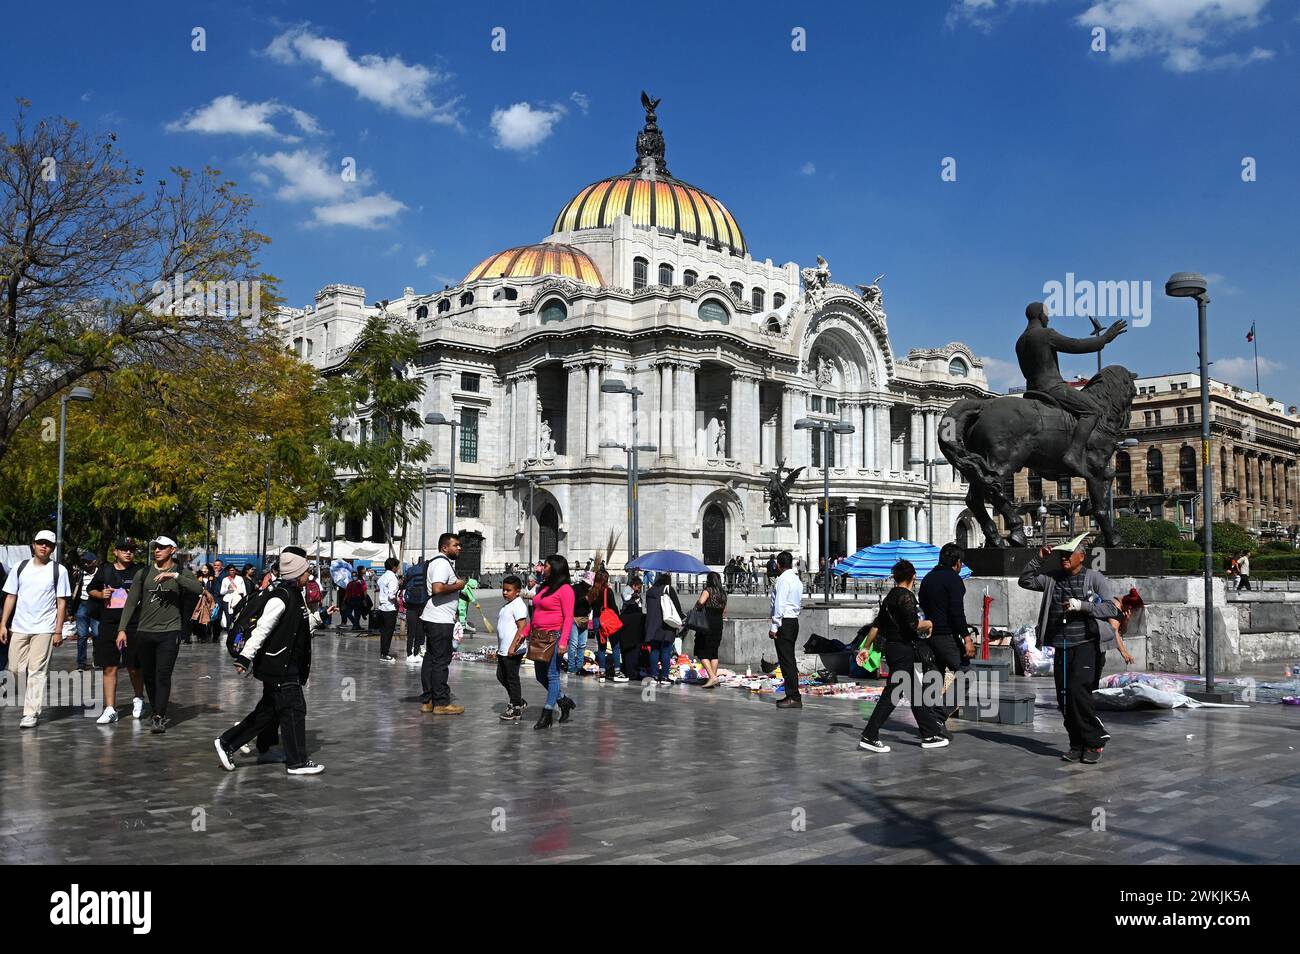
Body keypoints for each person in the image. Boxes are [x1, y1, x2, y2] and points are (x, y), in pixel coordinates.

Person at [214, 546, 336, 775]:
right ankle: (297, 761)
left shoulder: (294, 595)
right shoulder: (280, 597)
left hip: (286, 664)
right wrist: (244, 658)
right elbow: (262, 630)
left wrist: (321, 616)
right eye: (305, 573)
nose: (308, 577)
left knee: (269, 711)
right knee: (294, 709)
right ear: (295, 574)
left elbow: (299, 625)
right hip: (280, 665)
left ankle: (236, 744)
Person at [1019, 538, 1121, 764]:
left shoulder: (1093, 578)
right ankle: (1077, 743)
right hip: (1061, 645)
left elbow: (1112, 607)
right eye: (1061, 555)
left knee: (1078, 692)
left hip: (1085, 644)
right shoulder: (1052, 579)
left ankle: (1094, 740)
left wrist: (1082, 606)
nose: (1064, 558)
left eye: (1069, 554)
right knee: (1064, 697)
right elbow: (1025, 580)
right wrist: (1039, 559)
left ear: (1081, 557)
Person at [1016, 301, 1127, 475]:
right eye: (1047, 314)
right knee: (1093, 410)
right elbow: (1075, 345)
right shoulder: (1045, 334)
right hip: (1052, 388)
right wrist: (1104, 339)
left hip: (1032, 391)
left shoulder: (1020, 341)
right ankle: (1074, 453)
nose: (1048, 318)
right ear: (1039, 315)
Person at [859, 559, 949, 752]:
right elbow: (913, 626)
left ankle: (929, 733)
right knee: (893, 692)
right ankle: (869, 734)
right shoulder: (905, 596)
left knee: (914, 691)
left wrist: (865, 647)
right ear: (913, 577)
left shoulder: (890, 596)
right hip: (902, 649)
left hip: (892, 649)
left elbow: (876, 626)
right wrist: (930, 623)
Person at [117, 536, 204, 735]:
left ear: (172, 550)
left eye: (162, 547)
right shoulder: (144, 572)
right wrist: (122, 629)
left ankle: (159, 714)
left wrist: (174, 577)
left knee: (163, 674)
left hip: (169, 631)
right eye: (155, 547)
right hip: (144, 631)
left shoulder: (181, 572)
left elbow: (198, 589)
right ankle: (156, 706)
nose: (157, 550)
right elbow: (131, 602)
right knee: (149, 675)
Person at [0, 530, 72, 728]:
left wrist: (58, 630)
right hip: (19, 627)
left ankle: (31, 713)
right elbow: (11, 596)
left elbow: (61, 602)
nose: (43, 547)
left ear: (53, 548)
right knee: (14, 669)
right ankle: (25, 698)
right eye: (40, 543)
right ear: (33, 545)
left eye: (48, 544)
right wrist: (3, 624)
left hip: (44, 628)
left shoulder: (59, 571)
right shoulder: (20, 567)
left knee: (37, 671)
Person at [88, 538, 146, 724]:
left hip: (133, 624)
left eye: (131, 549)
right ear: (116, 552)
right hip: (109, 623)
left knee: (134, 666)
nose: (128, 552)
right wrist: (100, 594)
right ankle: (110, 709)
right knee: (109, 666)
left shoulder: (140, 570)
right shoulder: (105, 570)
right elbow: (91, 589)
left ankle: (138, 697)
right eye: (123, 549)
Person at [918, 542, 970, 719]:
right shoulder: (954, 579)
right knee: (966, 673)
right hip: (946, 635)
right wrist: (967, 638)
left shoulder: (927, 578)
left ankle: (928, 719)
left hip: (929, 635)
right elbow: (957, 612)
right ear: (956, 562)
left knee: (934, 675)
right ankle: (940, 716)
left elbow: (923, 604)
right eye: (961, 562)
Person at [419, 533, 465, 715]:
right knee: (440, 661)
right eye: (456, 545)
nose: (459, 548)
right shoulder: (441, 563)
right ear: (445, 547)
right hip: (439, 620)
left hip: (435, 618)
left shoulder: (439, 562)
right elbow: (438, 588)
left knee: (431, 659)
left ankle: (429, 700)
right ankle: (441, 702)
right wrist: (459, 585)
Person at [529, 554, 576, 729]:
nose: (542, 568)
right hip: (539, 637)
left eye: (546, 565)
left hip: (554, 637)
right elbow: (537, 612)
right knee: (540, 676)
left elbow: (569, 616)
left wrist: (563, 641)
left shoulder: (565, 590)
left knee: (552, 675)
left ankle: (547, 713)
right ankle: (563, 700)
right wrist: (526, 630)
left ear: (555, 568)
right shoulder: (544, 587)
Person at [769, 550, 803, 709]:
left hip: (784, 622)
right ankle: (793, 694)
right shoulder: (796, 579)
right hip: (793, 621)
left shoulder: (783, 580)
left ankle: (793, 696)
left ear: (779, 564)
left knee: (786, 661)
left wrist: (774, 626)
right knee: (790, 659)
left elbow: (779, 605)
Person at [495, 574, 530, 721]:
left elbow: (522, 627)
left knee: (512, 678)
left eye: (508, 590)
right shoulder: (507, 605)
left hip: (513, 649)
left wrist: (513, 646)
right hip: (503, 649)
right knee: (501, 676)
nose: (505, 592)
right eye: (503, 589)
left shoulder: (518, 605)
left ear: (517, 591)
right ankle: (518, 700)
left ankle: (515, 707)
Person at [644, 572, 683, 685]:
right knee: (666, 650)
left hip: (653, 625)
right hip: (666, 625)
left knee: (655, 650)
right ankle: (665, 676)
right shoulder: (668, 589)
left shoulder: (650, 591)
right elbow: (677, 607)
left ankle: (654, 675)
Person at [589, 567, 627, 682]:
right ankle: (617, 671)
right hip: (608, 621)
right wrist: (619, 619)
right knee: (615, 645)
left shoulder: (592, 591)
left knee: (601, 647)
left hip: (597, 620)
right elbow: (614, 607)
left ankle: (602, 672)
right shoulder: (607, 591)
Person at [691, 571, 727, 688]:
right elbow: (724, 610)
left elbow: (701, 602)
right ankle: (713, 677)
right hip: (718, 623)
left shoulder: (708, 590)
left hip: (707, 623)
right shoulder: (723, 593)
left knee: (702, 651)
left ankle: (712, 677)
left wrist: (698, 604)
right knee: (713, 652)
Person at [70, 551, 100, 671]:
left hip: (96, 606)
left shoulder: (101, 574)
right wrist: (71, 612)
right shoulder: (79, 575)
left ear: (94, 562)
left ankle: (97, 661)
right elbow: (74, 594)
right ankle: (81, 663)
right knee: (82, 635)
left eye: (88, 562)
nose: (86, 564)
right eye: (84, 562)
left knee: (97, 634)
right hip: (82, 605)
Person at [617, 573, 646, 681]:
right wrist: (634, 595)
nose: (639, 589)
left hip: (635, 621)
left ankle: (632, 670)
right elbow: (626, 598)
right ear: (634, 585)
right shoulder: (627, 590)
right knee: (630, 647)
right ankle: (630, 671)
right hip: (628, 621)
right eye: (638, 587)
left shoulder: (636, 593)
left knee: (634, 647)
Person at [402, 554, 429, 666]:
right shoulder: (427, 570)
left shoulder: (410, 570)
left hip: (411, 605)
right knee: (420, 631)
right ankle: (416, 653)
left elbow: (404, 584)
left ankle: (409, 654)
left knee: (411, 632)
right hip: (422, 605)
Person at [566, 570, 593, 675]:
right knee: (573, 644)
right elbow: (572, 604)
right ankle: (571, 667)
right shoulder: (575, 588)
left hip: (584, 619)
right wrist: (584, 599)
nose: (588, 586)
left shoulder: (590, 590)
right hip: (574, 618)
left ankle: (579, 666)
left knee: (582, 644)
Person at [375, 557, 400, 662]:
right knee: (389, 632)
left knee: (383, 632)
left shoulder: (383, 577)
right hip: (390, 608)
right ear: (394, 567)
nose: (398, 569)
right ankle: (385, 654)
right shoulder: (393, 578)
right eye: (397, 567)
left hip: (381, 608)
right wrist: (398, 601)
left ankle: (383, 651)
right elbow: (391, 595)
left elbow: (379, 585)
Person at [219, 565, 247, 641]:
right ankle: (229, 635)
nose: (232, 572)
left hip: (238, 600)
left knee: (237, 618)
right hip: (227, 600)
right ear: (228, 571)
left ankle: (236, 635)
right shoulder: (225, 580)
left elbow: (244, 590)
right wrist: (228, 589)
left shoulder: (240, 578)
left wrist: (244, 600)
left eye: (234, 570)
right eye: (231, 570)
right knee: (229, 618)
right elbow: (221, 592)